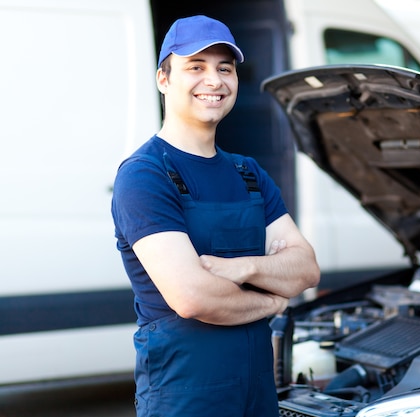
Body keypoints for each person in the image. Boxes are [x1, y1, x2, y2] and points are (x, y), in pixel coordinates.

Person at [111, 15, 320, 417]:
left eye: (225, 68)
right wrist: (274, 299)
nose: (214, 80)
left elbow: (306, 269)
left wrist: (240, 268)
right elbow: (193, 297)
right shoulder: (145, 174)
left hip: (257, 390)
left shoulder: (248, 173)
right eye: (196, 67)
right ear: (163, 79)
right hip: (184, 394)